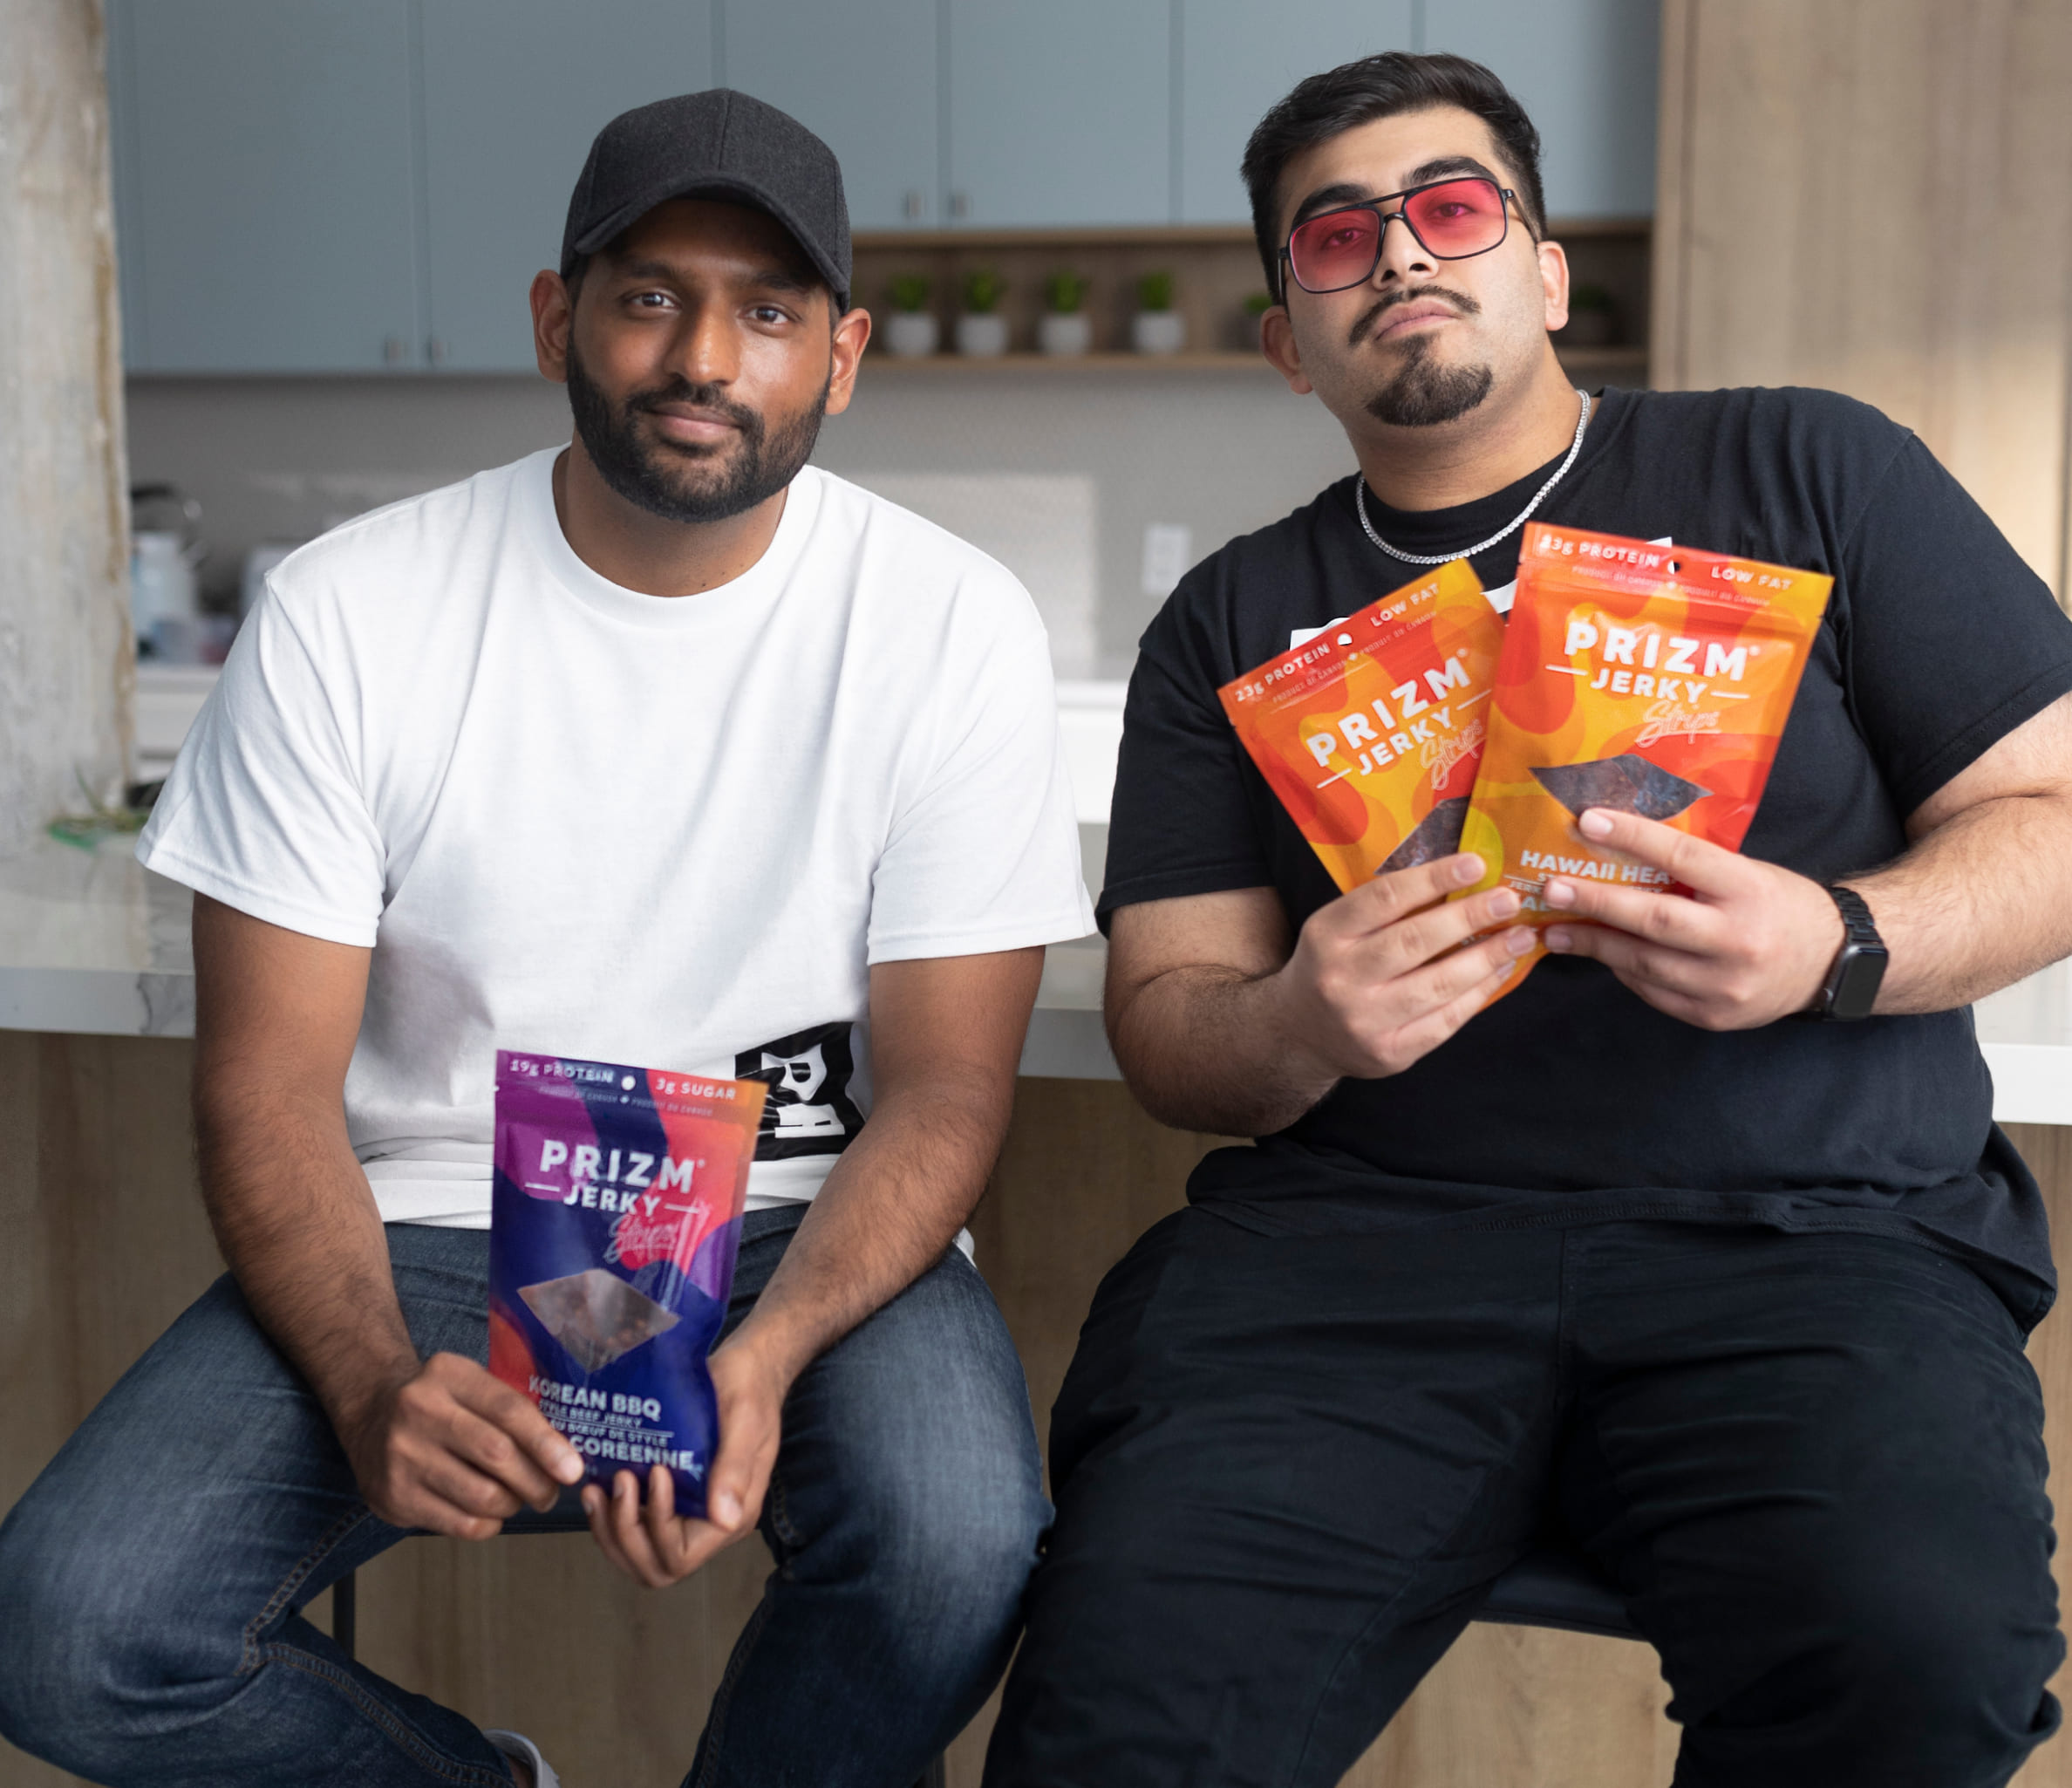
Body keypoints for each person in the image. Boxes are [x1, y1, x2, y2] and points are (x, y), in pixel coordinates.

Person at [984, 51, 2072, 1788]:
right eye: (1334, 238)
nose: (1400, 254)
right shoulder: (1232, 617)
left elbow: (2054, 817)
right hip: (1354, 1264)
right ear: (1288, 335)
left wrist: (1836, 940)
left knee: (1916, 1663)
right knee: (1115, 1723)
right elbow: (1170, 1007)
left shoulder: (1812, 467)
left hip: (1810, 1248)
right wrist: (1294, 1024)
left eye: (1452, 206)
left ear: (1546, 268)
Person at [0, 91, 1091, 1788]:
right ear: (553, 315)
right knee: (70, 1621)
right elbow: (268, 1087)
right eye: (650, 294)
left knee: (957, 1543)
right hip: (432, 1224)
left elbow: (947, 1090)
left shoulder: (946, 624)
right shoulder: (352, 611)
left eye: (771, 309)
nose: (704, 354)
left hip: (813, 1216)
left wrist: (769, 1354)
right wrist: (371, 1384)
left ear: (846, 353)